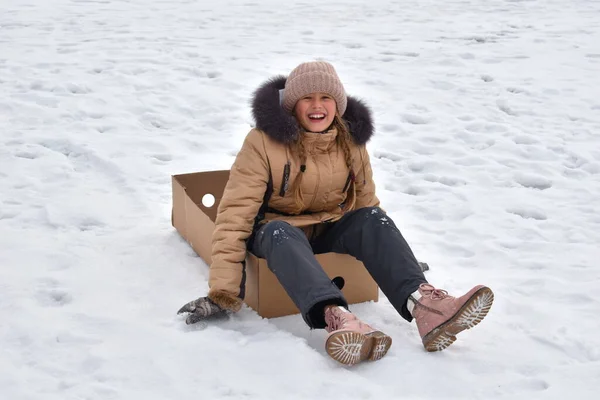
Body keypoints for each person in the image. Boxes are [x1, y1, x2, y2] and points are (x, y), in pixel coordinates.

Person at [177, 61, 494, 366]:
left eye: (326, 97)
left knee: (371, 217)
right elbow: (234, 217)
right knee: (278, 231)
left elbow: (366, 205)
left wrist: (396, 259)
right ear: (292, 105)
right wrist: (224, 292)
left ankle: (427, 308)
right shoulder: (262, 143)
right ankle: (338, 319)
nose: (318, 106)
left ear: (337, 104)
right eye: (308, 98)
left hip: (329, 229)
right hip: (277, 235)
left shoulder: (351, 141)